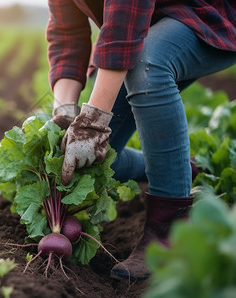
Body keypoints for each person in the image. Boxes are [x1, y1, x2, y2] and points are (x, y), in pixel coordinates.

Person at [48, 0, 236, 281]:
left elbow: (124, 23)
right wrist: (64, 110)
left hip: (206, 14)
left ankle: (170, 228)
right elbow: (67, 34)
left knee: (149, 65)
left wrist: (93, 122)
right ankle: (179, 169)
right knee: (91, 158)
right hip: (144, 26)